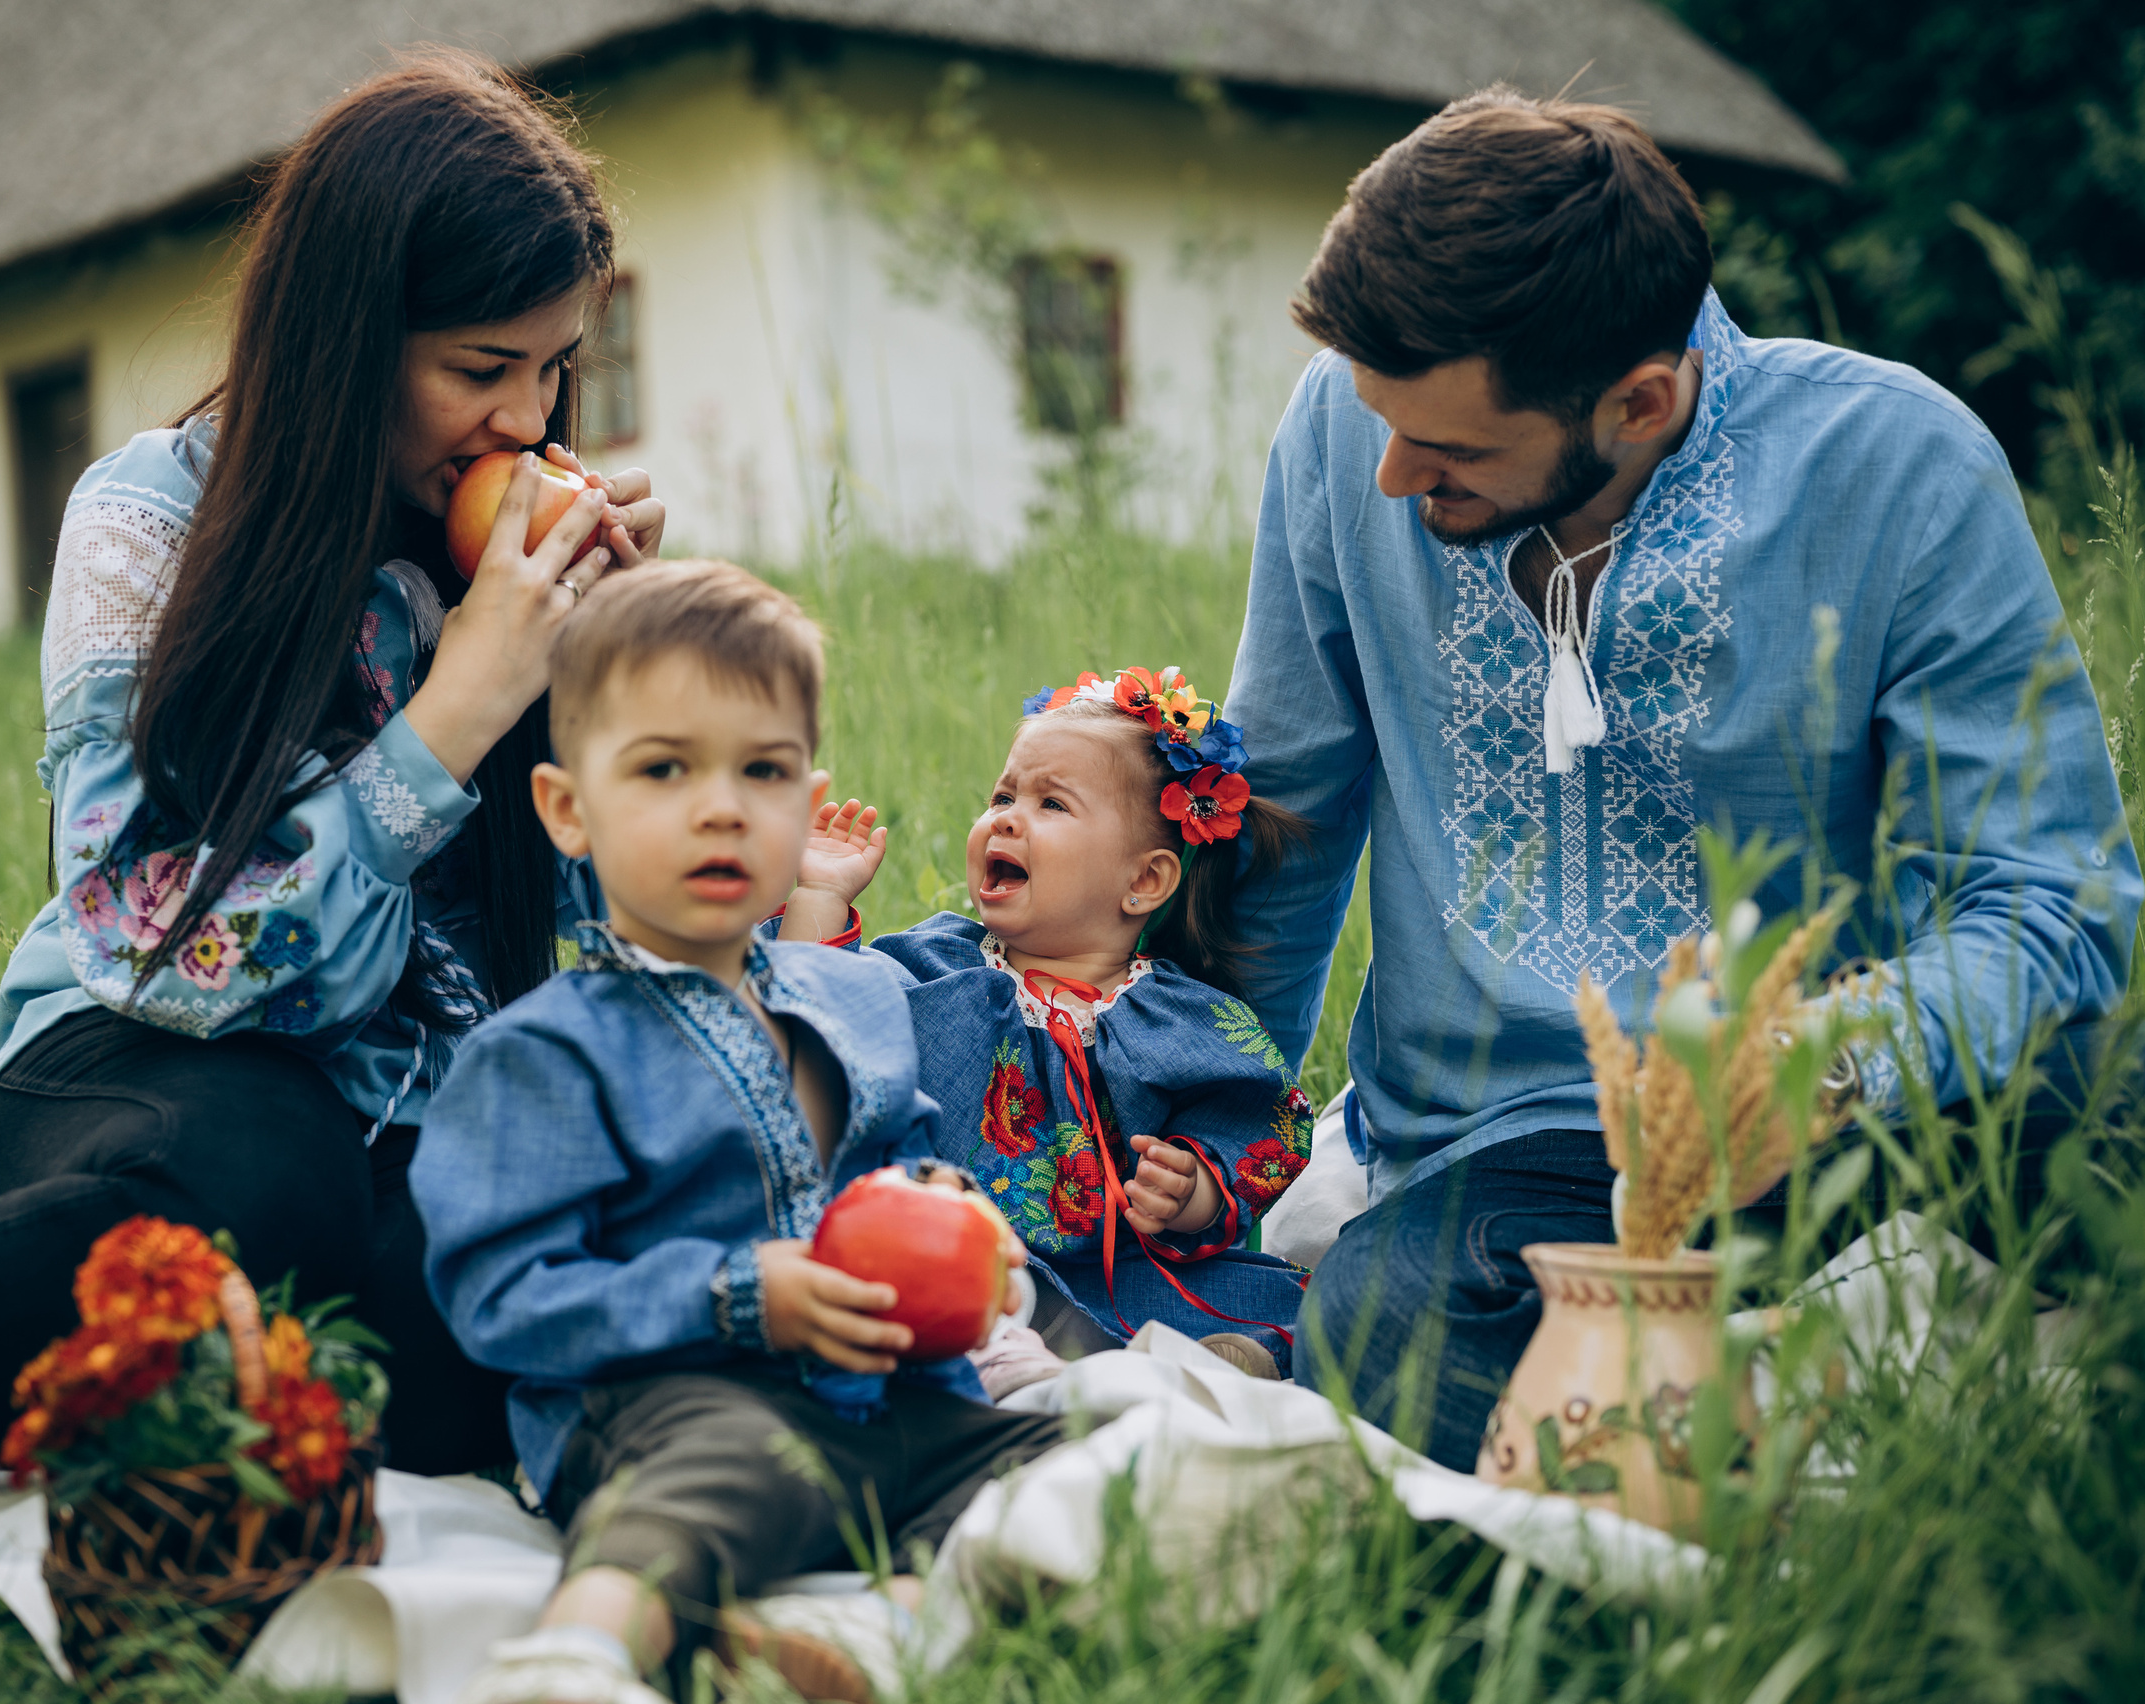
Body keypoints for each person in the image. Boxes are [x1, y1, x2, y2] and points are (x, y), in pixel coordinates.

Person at [0, 51, 663, 1534]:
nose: (526, 420)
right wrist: (450, 714)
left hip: (408, 1106)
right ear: (349, 341)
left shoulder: (522, 556)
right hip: (148, 1064)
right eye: (482, 369)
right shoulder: (150, 524)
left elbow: (596, 932)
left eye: (553, 368)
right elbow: (161, 948)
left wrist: (622, 671)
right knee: (263, 1192)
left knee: (471, 1333)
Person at [1224, 89, 2141, 1470]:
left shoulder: (1902, 467)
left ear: (1641, 401)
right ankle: (1807, 1462)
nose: (1395, 472)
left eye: (1455, 450)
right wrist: (1183, 1125)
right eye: (1380, 423)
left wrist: (1828, 1057)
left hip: (1868, 1115)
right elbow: (1280, 826)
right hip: (1517, 1146)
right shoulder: (1347, 433)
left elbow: (2052, 901)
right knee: (1389, 1336)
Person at [420, 561, 1064, 1704]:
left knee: (1047, 1472)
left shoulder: (853, 999)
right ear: (569, 809)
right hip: (668, 1404)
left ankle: (884, 1628)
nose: (721, 806)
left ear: (807, 807)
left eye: (761, 771)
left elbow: (905, 1161)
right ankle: (580, 1652)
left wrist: (961, 1229)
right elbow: (502, 1297)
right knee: (721, 1474)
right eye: (664, 768)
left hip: (889, 1393)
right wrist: (732, 1292)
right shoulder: (544, 1053)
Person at [776, 666, 1316, 1378]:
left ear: (1144, 881)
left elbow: (1253, 1126)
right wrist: (818, 895)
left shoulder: (1180, 1015)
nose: (1005, 816)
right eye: (1004, 795)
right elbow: (804, 1015)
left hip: (1124, 1273)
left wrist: (1192, 1191)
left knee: (1287, 1306)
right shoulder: (939, 968)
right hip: (959, 1250)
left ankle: (1204, 1366)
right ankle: (1040, 1361)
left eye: (1051, 804)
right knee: (908, 1286)